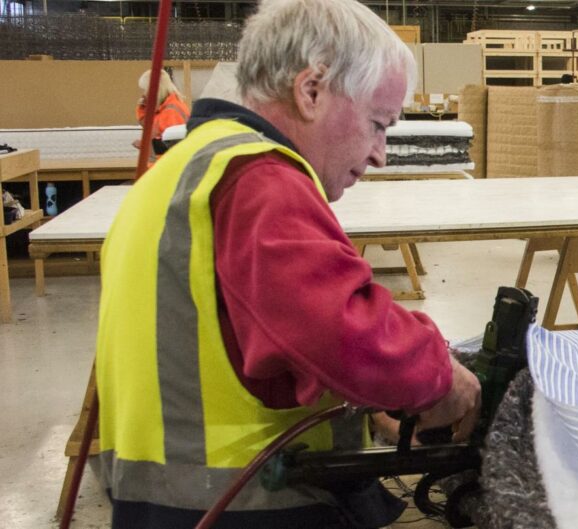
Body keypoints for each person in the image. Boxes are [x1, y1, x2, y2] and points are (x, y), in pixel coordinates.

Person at [95, 0, 482, 527]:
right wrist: (441, 376)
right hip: (246, 505)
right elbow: (344, 331)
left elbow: (242, 346)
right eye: (377, 123)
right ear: (311, 90)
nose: (380, 153)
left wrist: (371, 410)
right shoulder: (259, 181)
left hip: (166, 501)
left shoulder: (180, 171)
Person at [132, 68, 190, 152]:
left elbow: (172, 144)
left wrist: (145, 145)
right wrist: (143, 107)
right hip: (159, 162)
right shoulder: (162, 108)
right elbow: (147, 124)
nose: (144, 93)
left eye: (145, 89)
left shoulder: (171, 111)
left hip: (168, 162)